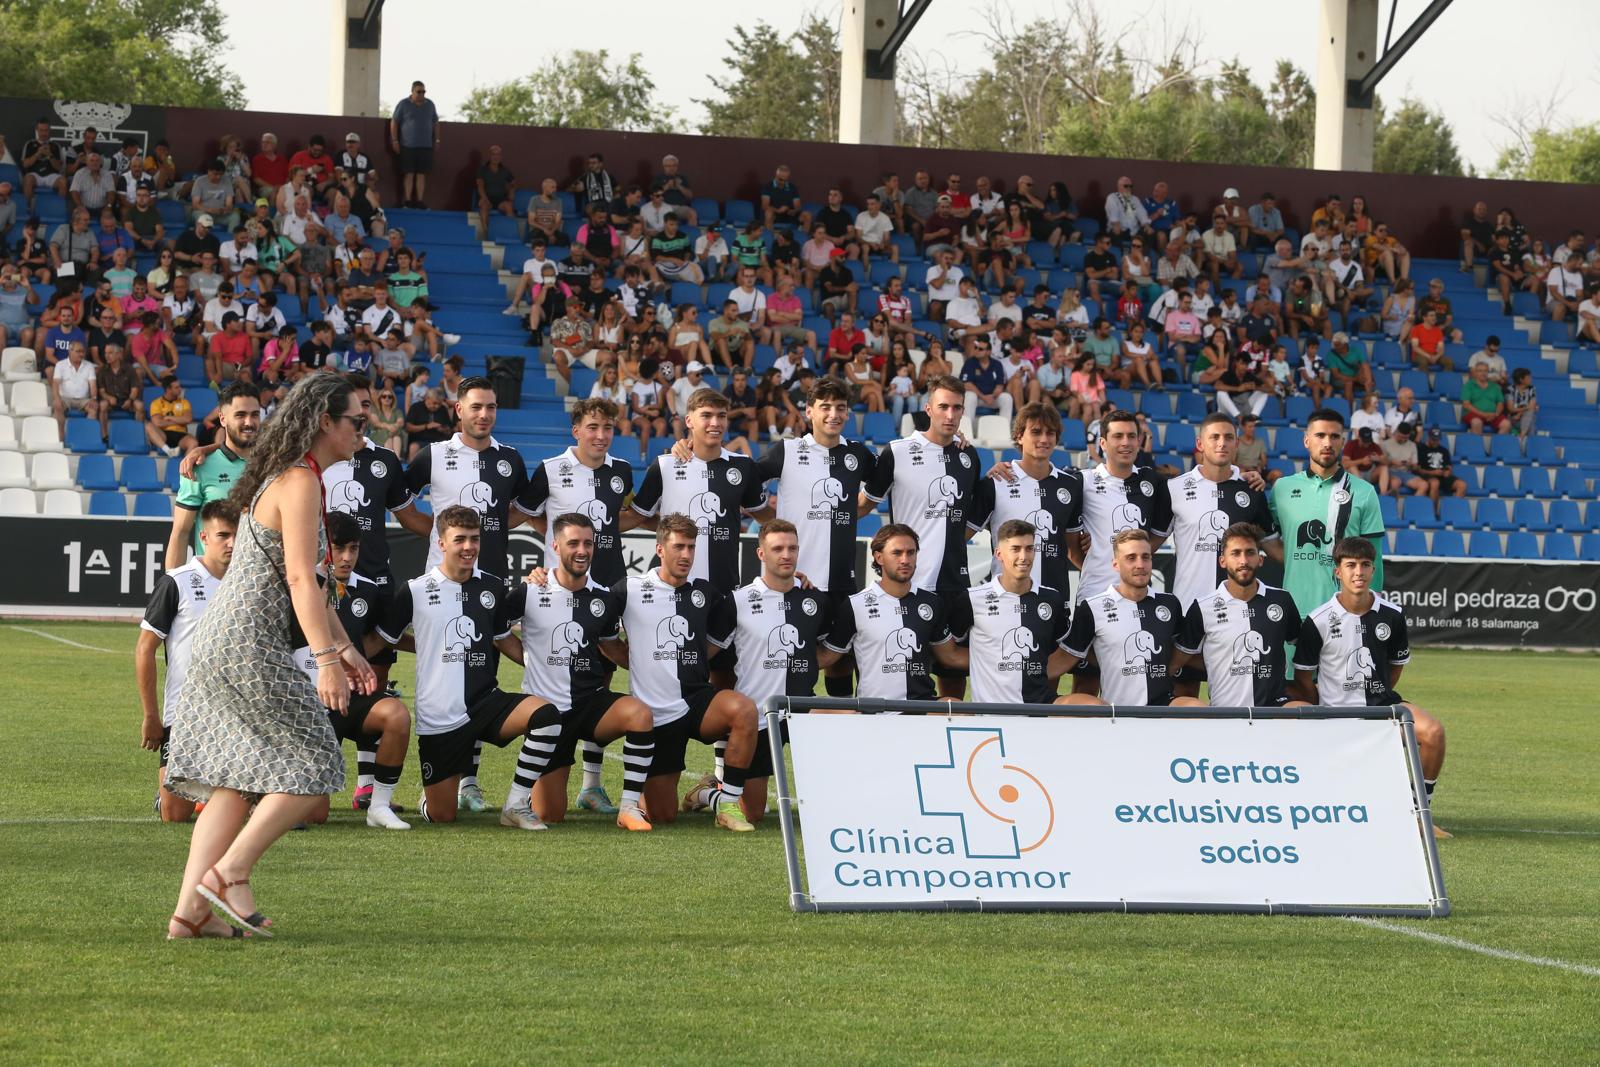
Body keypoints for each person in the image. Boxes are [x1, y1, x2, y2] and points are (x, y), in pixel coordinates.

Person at [162, 375, 376, 940]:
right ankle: (230, 873)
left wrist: (347, 648)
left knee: (234, 784)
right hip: (246, 645)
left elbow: (311, 580)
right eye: (358, 419)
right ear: (326, 423)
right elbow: (302, 579)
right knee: (316, 765)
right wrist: (329, 660)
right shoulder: (301, 481)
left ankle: (189, 917)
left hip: (225, 642)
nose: (364, 429)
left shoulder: (294, 477)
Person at [371, 505, 555, 825]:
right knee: (443, 816)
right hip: (440, 715)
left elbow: (503, 638)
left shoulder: (492, 586)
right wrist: (341, 659)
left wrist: (538, 664)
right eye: (460, 539)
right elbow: (383, 638)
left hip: (486, 702)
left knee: (546, 716)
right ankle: (432, 800)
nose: (469, 547)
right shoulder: (414, 590)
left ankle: (515, 805)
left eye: (474, 539)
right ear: (441, 543)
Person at [495, 513, 655, 832]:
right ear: (555, 546)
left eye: (588, 543)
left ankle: (628, 808)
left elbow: (611, 646)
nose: (582, 550)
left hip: (590, 703)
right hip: (547, 713)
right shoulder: (531, 589)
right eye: (573, 543)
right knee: (550, 814)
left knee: (639, 715)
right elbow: (498, 633)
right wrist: (529, 659)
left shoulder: (603, 597)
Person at [602, 514, 760, 832]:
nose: (686, 555)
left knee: (744, 710)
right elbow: (599, 630)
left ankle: (727, 804)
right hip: (656, 713)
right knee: (663, 815)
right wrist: (634, 660)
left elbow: (742, 616)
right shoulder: (629, 589)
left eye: (691, 547)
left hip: (697, 700)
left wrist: (797, 583)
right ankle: (704, 794)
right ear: (660, 548)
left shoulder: (705, 593)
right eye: (678, 547)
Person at [1293, 536, 1447, 836]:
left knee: (1433, 732)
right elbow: (1303, 679)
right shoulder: (1318, 621)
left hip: (1382, 709)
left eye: (1364, 565)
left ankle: (1419, 814)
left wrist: (1379, 696)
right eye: (1350, 565)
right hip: (1334, 713)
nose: (1358, 572)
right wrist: (1327, 703)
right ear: (1337, 571)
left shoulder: (1392, 615)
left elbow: (1395, 666)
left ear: (1373, 570)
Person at [706, 519, 838, 822]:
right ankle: (707, 793)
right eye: (777, 548)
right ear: (761, 553)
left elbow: (829, 652)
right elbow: (708, 652)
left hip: (803, 709)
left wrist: (807, 663)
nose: (786, 555)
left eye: (792, 548)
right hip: (758, 715)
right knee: (752, 812)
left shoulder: (815, 600)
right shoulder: (736, 602)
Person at [286, 511, 411, 830]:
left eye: (353, 549)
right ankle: (260, 795)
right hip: (306, 704)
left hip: (349, 699)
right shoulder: (297, 587)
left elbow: (377, 640)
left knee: (396, 714)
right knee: (315, 815)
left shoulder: (368, 590)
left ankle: (378, 805)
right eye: (338, 548)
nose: (346, 557)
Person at [137, 500, 239, 824]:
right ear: (204, 537)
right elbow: (144, 649)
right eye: (223, 535)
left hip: (236, 714)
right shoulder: (177, 582)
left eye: (237, 535)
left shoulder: (249, 585)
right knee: (174, 816)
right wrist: (151, 716)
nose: (232, 543)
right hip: (184, 714)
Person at [631, 388, 769, 590]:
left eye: (721, 416)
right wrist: (670, 530)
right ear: (689, 421)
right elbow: (638, 516)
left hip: (723, 588)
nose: (715, 423)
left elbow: (766, 517)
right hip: (673, 589)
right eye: (706, 415)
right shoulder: (665, 465)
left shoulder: (743, 466)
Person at [405, 377, 530, 590]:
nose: (484, 414)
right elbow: (400, 504)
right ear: (459, 409)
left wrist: (495, 524)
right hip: (442, 579)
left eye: (491, 407)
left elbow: (526, 507)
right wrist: (438, 530)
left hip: (494, 575)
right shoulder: (432, 455)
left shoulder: (511, 459)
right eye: (476, 407)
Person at [1056, 529, 1203, 707]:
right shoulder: (1093, 607)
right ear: (1115, 564)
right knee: (1068, 705)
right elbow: (1066, 657)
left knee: (1197, 707)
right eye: (1131, 558)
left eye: (1145, 557)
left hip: (1163, 709)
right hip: (1114, 711)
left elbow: (1180, 653)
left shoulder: (1169, 604)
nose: (1140, 564)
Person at [823, 523, 962, 701]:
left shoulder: (931, 602)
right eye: (897, 553)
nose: (905, 560)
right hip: (875, 711)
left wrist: (997, 654)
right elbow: (828, 657)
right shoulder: (854, 605)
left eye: (911, 553)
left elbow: (951, 656)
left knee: (962, 712)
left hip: (923, 706)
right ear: (879, 557)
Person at [943, 519, 1074, 705]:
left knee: (1096, 708)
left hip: (1041, 705)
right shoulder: (971, 599)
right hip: (990, 710)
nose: (1024, 556)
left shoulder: (1051, 599)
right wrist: (988, 662)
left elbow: (1065, 649)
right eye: (1015, 549)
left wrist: (1038, 669)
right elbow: (950, 652)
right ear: (999, 554)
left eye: (1029, 548)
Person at [1172, 522, 1304, 708]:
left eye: (1250, 552)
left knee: (1308, 713)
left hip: (1275, 712)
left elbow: (1307, 650)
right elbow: (1175, 663)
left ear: (1260, 559)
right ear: (1222, 561)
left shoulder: (1281, 600)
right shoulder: (1203, 608)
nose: (1243, 561)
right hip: (1224, 714)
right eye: (1235, 553)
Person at [1270, 408, 1385, 619]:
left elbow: (1374, 557)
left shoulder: (1364, 492)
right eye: (1320, 435)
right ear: (1306, 441)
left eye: (1334, 437)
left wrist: (1372, 611)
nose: (1327, 443)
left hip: (1345, 614)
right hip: (1294, 613)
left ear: (1342, 441)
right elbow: (1267, 538)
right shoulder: (1282, 489)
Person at [1165, 412, 1278, 612]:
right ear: (1200, 444)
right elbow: (1148, 544)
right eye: (1214, 437)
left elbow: (1274, 547)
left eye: (1228, 437)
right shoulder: (1175, 488)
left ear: (1237, 444)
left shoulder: (1252, 490)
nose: (1222, 443)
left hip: (1238, 611)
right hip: (1187, 606)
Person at [969, 402, 1083, 593]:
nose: (1044, 439)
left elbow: (1073, 549)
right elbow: (959, 537)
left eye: (1050, 433)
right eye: (1036, 432)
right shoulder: (996, 481)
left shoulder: (1070, 485)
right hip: (1006, 599)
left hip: (1055, 599)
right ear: (1019, 436)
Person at [165, 383, 261, 568]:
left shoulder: (273, 465)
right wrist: (172, 588)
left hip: (261, 588)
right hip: (214, 588)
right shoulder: (200, 467)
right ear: (223, 419)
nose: (249, 422)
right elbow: (180, 533)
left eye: (254, 415)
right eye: (240, 415)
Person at [390, 81, 439, 208]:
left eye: (423, 91)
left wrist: (437, 139)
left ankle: (419, 201)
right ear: (412, 91)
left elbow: (436, 122)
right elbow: (394, 122)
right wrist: (395, 140)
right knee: (409, 173)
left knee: (421, 175)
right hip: (407, 145)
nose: (421, 94)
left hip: (426, 145)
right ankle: (407, 201)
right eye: (419, 91)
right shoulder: (403, 104)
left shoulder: (430, 105)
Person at [1460, 360, 1510, 435]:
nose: (1483, 373)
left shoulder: (1495, 387)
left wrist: (1496, 414)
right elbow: (1466, 404)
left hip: (1493, 415)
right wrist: (1483, 414)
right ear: (1475, 373)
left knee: (1506, 424)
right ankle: (1477, 446)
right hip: (1473, 414)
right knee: (1477, 422)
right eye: (1480, 371)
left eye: (1485, 371)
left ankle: (1496, 445)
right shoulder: (1468, 386)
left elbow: (1500, 403)